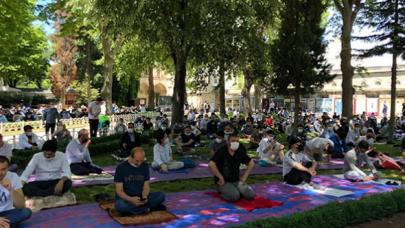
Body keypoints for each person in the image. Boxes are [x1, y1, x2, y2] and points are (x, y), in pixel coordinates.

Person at [114, 147, 166, 216]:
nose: (139, 163)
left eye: (141, 161)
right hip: (126, 198)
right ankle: (148, 209)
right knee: (121, 206)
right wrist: (131, 199)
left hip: (140, 197)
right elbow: (119, 191)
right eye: (137, 161)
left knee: (161, 195)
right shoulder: (120, 167)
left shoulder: (144, 165)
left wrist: (144, 197)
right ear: (130, 157)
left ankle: (135, 210)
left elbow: (146, 186)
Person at [208, 132, 255, 202]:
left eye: (237, 141)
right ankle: (222, 191)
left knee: (250, 195)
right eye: (233, 141)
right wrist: (220, 177)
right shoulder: (222, 151)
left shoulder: (239, 151)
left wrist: (244, 177)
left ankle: (234, 190)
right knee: (235, 197)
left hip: (236, 180)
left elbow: (251, 163)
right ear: (228, 142)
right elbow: (211, 164)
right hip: (224, 182)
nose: (235, 143)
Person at [0, 156, 31, 227]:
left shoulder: (13, 177)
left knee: (26, 212)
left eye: (3, 169)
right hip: (9, 218)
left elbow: (21, 205)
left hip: (8, 213)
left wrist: (11, 189)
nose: (0, 173)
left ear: (8, 168)